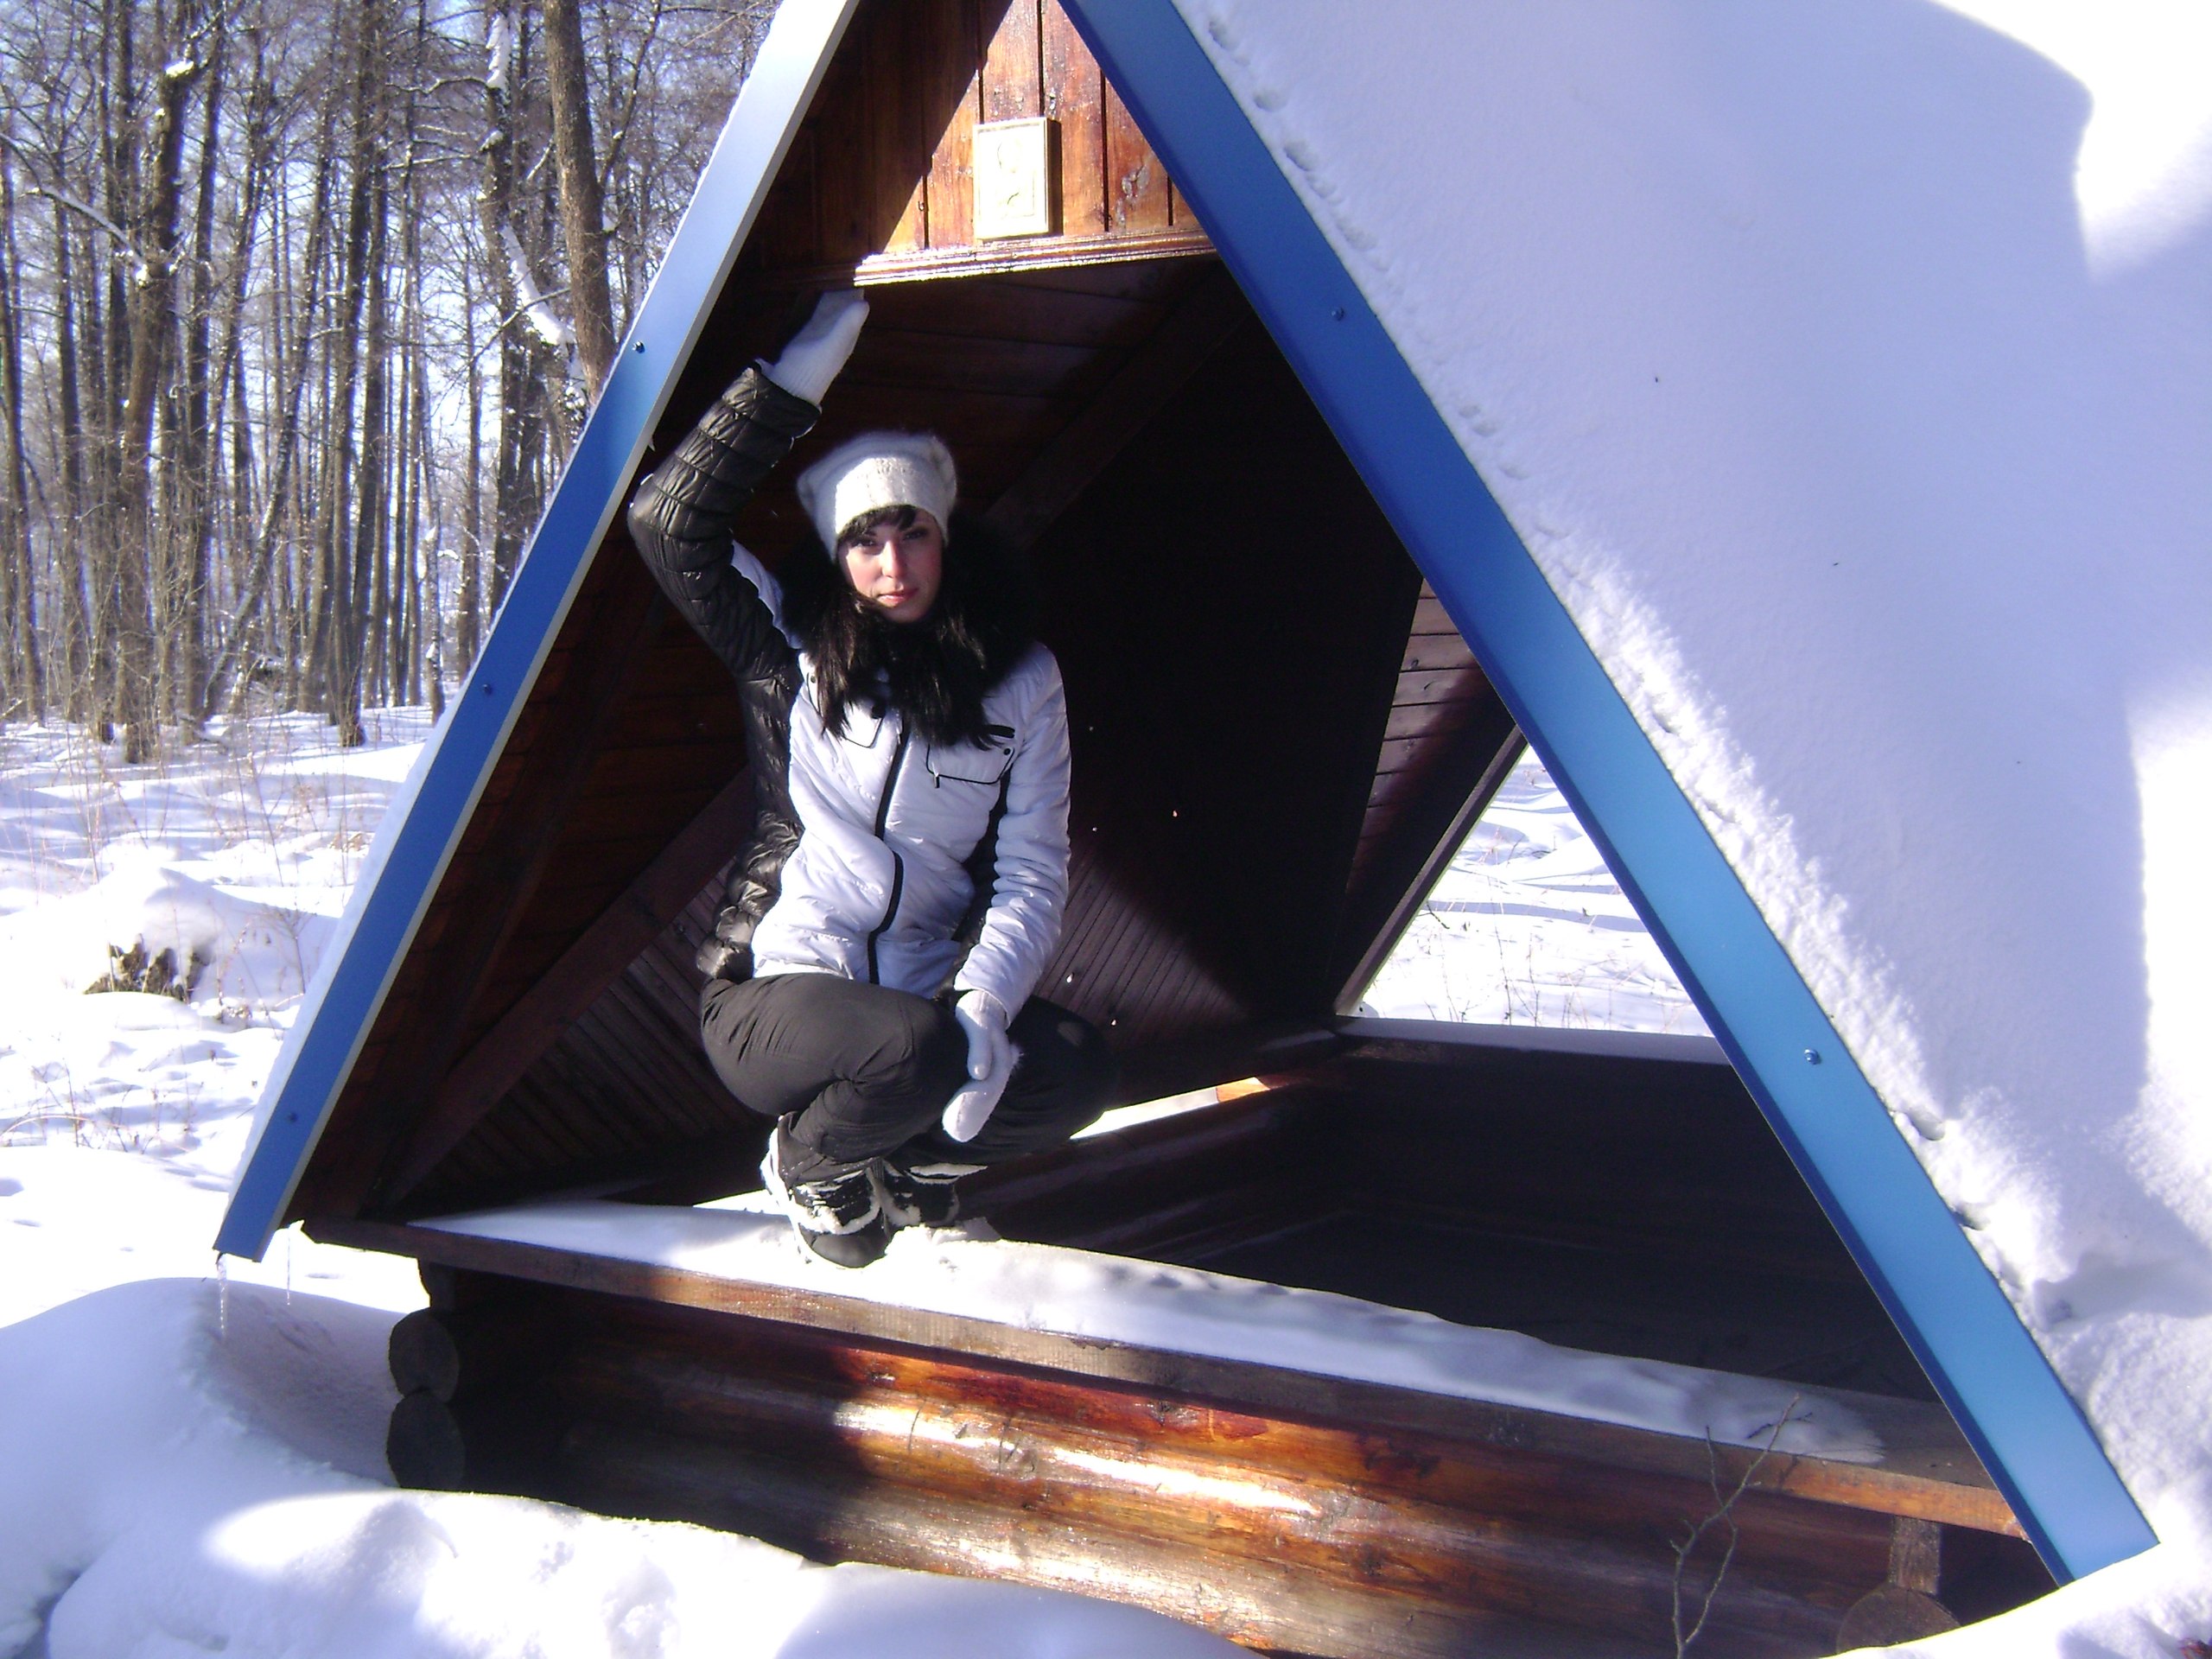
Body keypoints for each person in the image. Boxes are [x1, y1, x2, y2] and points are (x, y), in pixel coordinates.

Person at [626, 291, 1116, 1267]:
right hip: (779, 994)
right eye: (863, 539)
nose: (892, 564)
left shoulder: (1023, 681)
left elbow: (1031, 871)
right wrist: (790, 388)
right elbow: (667, 523)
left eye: (911, 531)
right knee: (911, 1051)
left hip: (924, 991)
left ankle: (907, 1162)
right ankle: (810, 1162)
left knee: (1075, 1069)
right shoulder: (789, 652)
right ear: (836, 554)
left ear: (945, 535)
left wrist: (985, 1001)